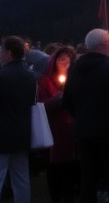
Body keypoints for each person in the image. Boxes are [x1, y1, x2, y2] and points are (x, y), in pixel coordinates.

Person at [62, 28, 109, 203]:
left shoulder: (74, 68)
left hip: (84, 132)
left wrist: (81, 116)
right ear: (102, 45)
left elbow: (66, 101)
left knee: (88, 177)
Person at [0, 36, 38, 203]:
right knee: (21, 180)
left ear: (9, 53)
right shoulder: (30, 77)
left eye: (1, 52)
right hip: (22, 136)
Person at [37, 46, 78, 203]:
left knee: (70, 165)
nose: (65, 64)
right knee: (55, 166)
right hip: (54, 130)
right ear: (54, 62)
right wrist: (60, 97)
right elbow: (42, 106)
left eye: (68, 61)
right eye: (62, 60)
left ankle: (69, 193)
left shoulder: (74, 80)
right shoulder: (45, 82)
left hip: (71, 130)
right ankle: (56, 195)